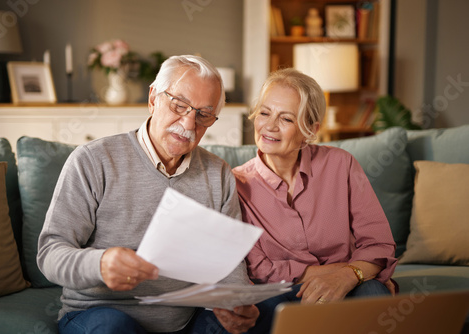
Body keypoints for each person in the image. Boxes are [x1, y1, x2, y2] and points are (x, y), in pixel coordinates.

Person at [37, 55, 261, 334]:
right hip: (99, 314)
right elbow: (50, 254)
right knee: (112, 327)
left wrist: (236, 304)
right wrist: (100, 263)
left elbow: (228, 261)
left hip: (184, 319)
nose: (189, 124)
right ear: (153, 98)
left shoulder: (218, 174)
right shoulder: (92, 160)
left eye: (203, 115)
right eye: (179, 105)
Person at [232, 68, 398, 327]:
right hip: (280, 293)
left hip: (349, 287)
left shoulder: (341, 164)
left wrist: (349, 277)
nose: (269, 126)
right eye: (264, 113)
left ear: (310, 129)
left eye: (286, 119)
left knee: (373, 293)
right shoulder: (236, 184)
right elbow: (258, 269)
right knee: (256, 313)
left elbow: (379, 244)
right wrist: (342, 271)